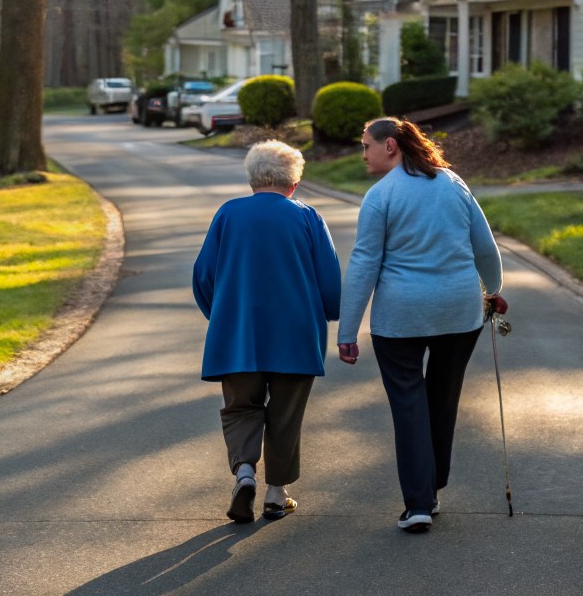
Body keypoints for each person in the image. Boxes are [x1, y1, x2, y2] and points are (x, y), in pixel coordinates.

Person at [336, 117, 506, 534]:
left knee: (409, 406)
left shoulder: (381, 196)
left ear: (390, 145)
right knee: (442, 400)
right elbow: (483, 244)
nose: (363, 155)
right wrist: (495, 289)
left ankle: (418, 504)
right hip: (458, 312)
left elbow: (363, 265)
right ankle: (432, 486)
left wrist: (347, 331)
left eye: (366, 146)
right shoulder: (452, 183)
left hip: (400, 318)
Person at [192, 140, 342, 524]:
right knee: (286, 412)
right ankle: (276, 494)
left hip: (238, 331)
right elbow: (329, 280)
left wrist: (221, 314)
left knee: (241, 406)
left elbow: (204, 275)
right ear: (293, 183)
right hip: (295, 333)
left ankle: (245, 472)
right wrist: (331, 314)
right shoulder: (307, 217)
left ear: (251, 179)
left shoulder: (228, 214)